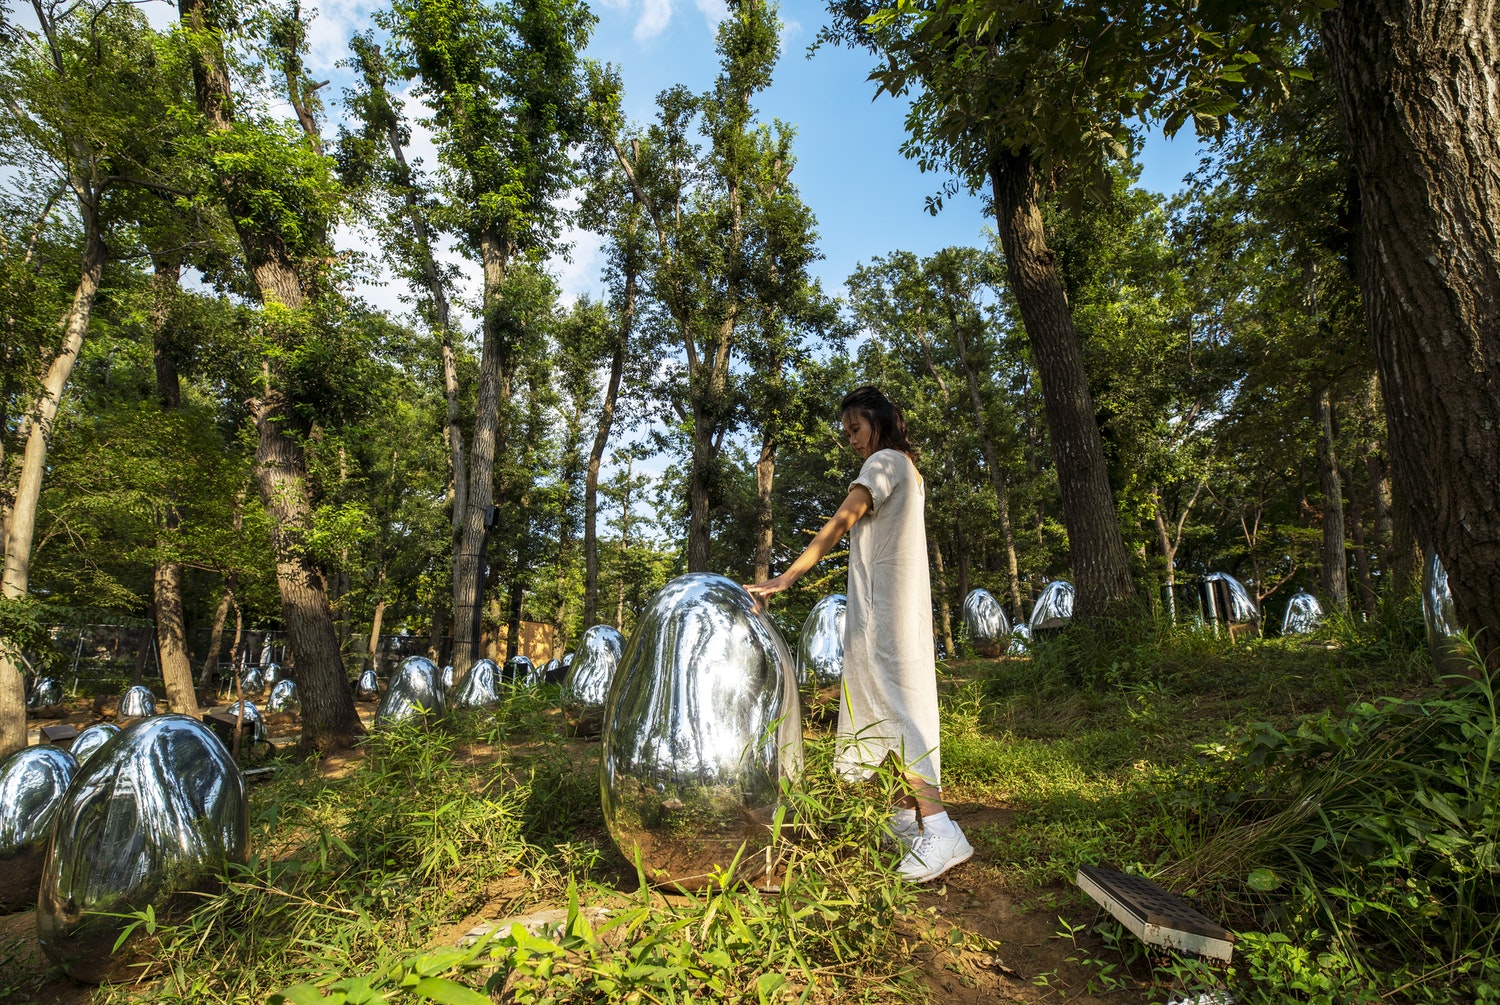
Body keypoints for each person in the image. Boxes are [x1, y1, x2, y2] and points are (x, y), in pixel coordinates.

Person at [746, 385, 973, 883]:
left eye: (855, 428)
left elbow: (837, 524)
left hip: (887, 614)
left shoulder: (884, 463)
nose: (850, 439)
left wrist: (785, 578)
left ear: (880, 420)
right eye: (846, 432)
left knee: (899, 712)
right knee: (885, 711)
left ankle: (940, 827)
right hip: (891, 613)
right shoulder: (908, 469)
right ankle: (907, 821)